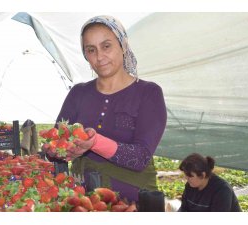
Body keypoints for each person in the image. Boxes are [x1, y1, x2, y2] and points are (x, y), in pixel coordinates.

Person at [50, 15, 167, 203]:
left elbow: (140, 158)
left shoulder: (148, 93)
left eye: (106, 46)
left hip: (132, 203)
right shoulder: (78, 93)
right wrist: (57, 150)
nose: (99, 56)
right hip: (84, 201)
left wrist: (95, 142)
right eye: (91, 50)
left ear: (123, 45)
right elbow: (56, 142)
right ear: (85, 55)